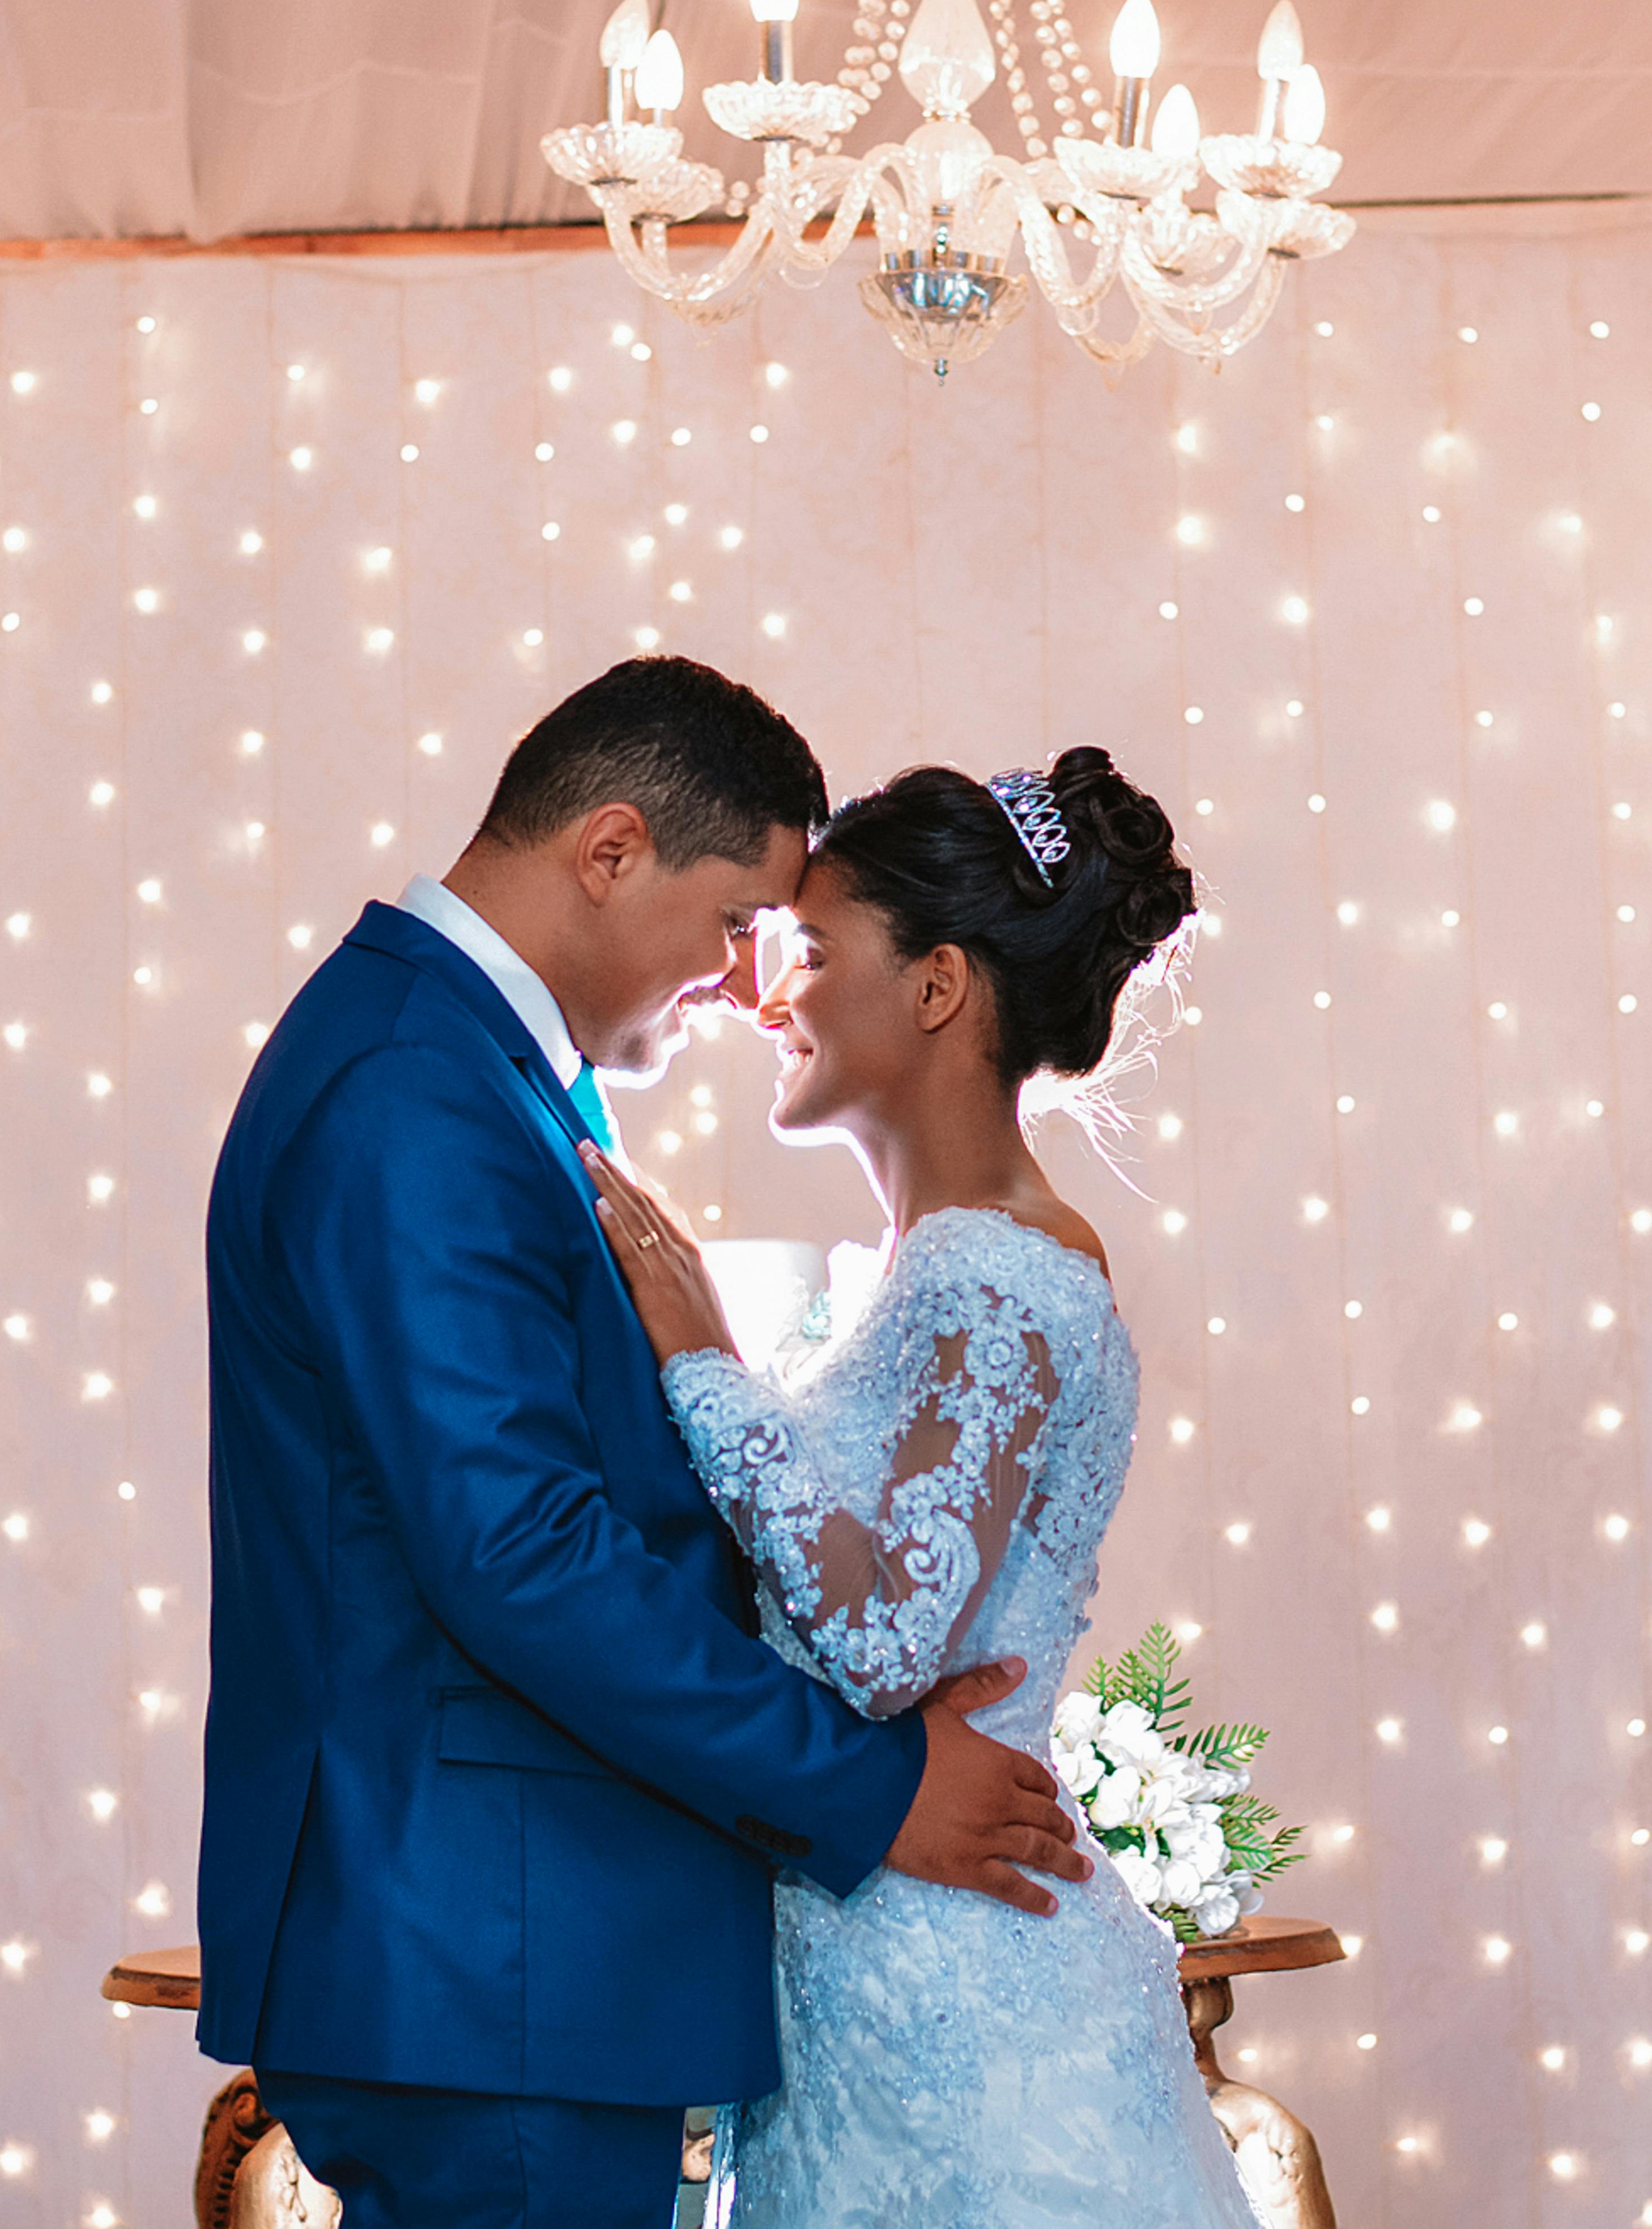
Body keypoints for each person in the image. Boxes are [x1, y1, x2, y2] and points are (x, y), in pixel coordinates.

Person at [194, 657, 1091, 2229]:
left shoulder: (479, 1069)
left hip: (522, 1948)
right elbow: (520, 1551)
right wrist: (871, 1781)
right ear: (609, 850)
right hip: (494, 1947)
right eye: (737, 919)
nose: (746, 980)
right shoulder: (421, 1086)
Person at [581, 749, 1259, 2224]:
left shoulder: (998, 1280)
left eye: (812, 951)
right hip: (881, 1964)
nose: (770, 996)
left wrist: (701, 1359)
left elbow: (888, 1645)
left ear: (940, 987)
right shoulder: (938, 1269)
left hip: (963, 1998)